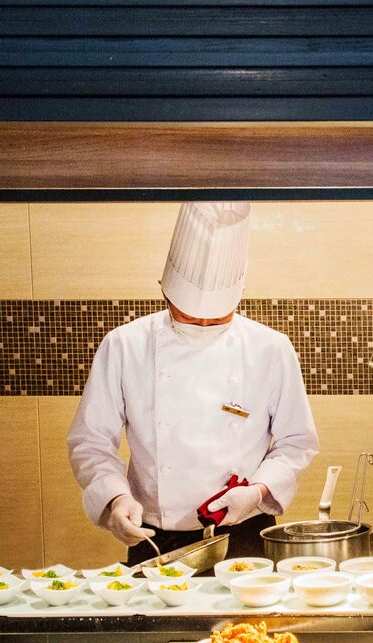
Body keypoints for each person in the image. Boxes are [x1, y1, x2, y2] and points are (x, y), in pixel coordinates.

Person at [68, 202, 319, 565]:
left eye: (217, 320)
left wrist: (257, 491)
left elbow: (296, 442)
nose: (203, 328)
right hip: (154, 538)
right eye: (188, 318)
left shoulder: (270, 348)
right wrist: (115, 499)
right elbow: (90, 442)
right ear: (165, 292)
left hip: (244, 534)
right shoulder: (125, 345)